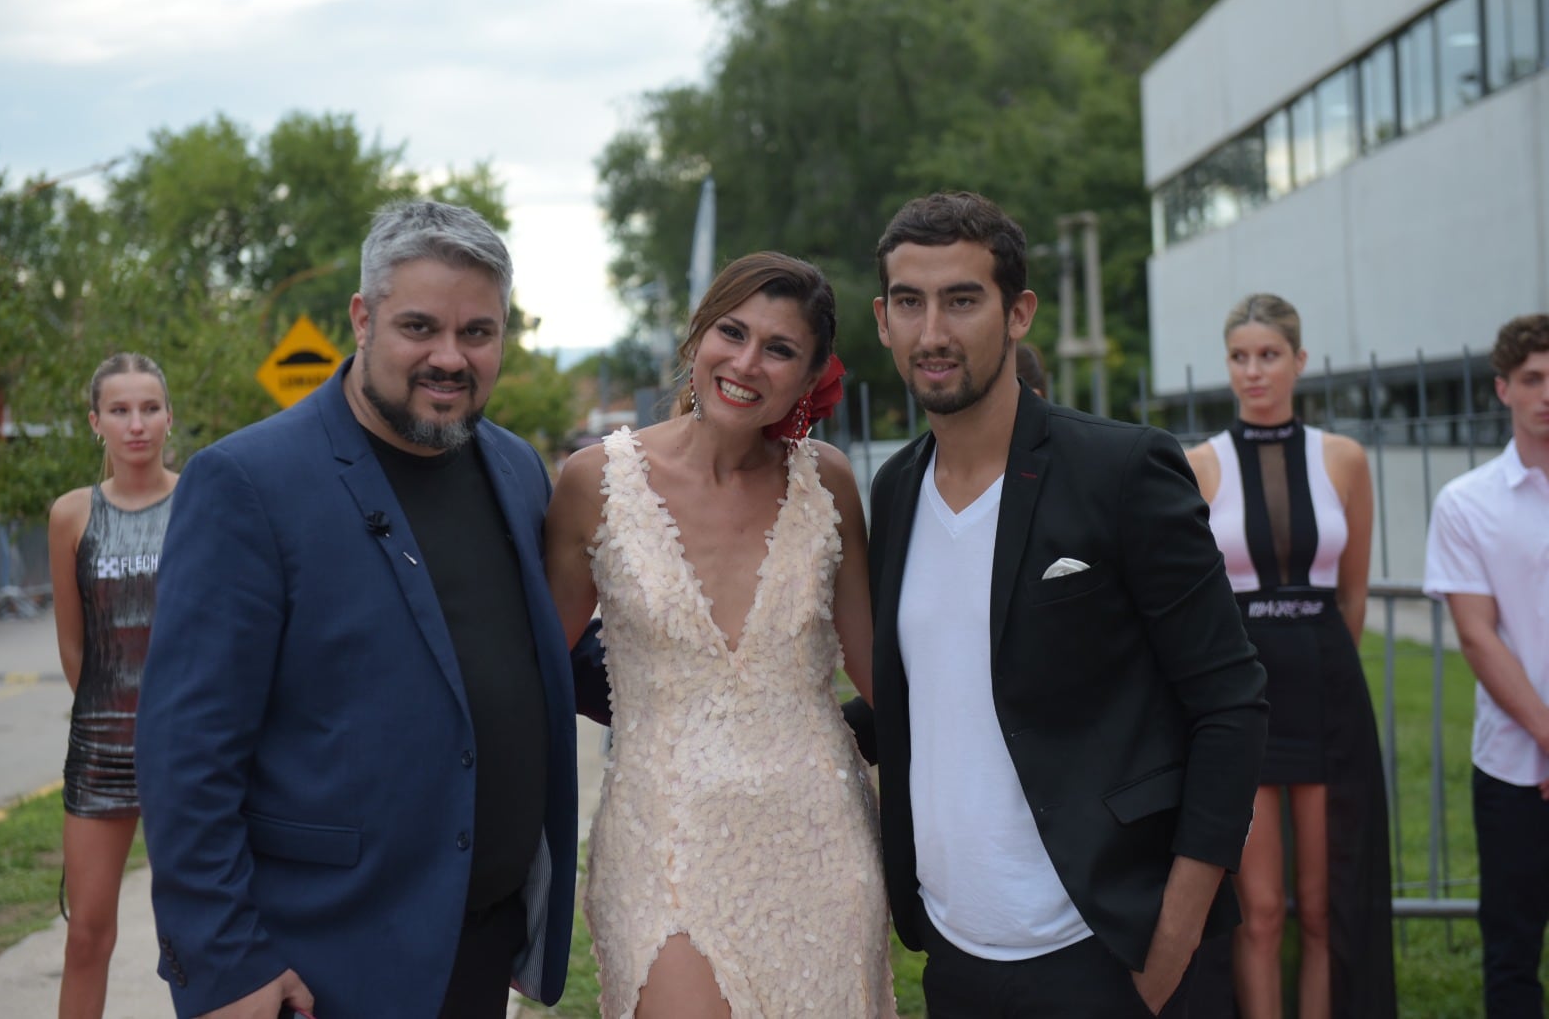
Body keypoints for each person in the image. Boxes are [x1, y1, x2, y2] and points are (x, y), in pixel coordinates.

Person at [135, 200, 607, 1019]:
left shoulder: (516, 467)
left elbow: (539, 653)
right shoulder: (247, 483)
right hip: (318, 969)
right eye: (419, 328)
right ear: (362, 317)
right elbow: (186, 754)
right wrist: (224, 965)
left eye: (478, 333)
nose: (449, 358)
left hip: (478, 946)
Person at [861, 190, 1268, 1017]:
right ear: (882, 320)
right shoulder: (895, 491)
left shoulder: (1122, 472)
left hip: (1105, 948)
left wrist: (1170, 949)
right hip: (955, 950)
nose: (933, 332)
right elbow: (944, 688)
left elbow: (1231, 705)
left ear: (1019, 314)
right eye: (911, 302)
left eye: (962, 300)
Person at [545, 251, 894, 1017]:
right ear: (695, 336)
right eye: (730, 333)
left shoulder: (830, 482)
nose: (746, 363)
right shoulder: (594, 482)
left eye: (779, 349)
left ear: (809, 378)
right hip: (661, 843)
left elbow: (885, 678)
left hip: (819, 841)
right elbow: (533, 675)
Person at [1185, 294, 1394, 1019]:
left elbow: (1355, 594)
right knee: (1262, 909)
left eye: (1268, 356)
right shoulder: (1199, 465)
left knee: (1324, 905)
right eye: (1239, 357)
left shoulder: (1345, 459)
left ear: (1299, 362)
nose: (1253, 371)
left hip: (1328, 689)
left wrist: (1332, 670)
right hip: (1244, 697)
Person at [1424, 313, 1549, 1018]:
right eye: (1532, 379)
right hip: (1511, 766)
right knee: (1512, 953)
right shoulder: (1466, 504)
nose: (1546, 394)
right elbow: (1478, 636)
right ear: (1503, 389)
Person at [47, 352, 178, 1019]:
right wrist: (112, 717)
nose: (136, 424)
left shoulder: (200, 501)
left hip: (189, 749)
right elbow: (74, 646)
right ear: (95, 421)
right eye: (121, 411)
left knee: (203, 934)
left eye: (149, 408)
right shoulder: (71, 515)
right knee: (88, 933)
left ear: (168, 417)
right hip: (101, 746)